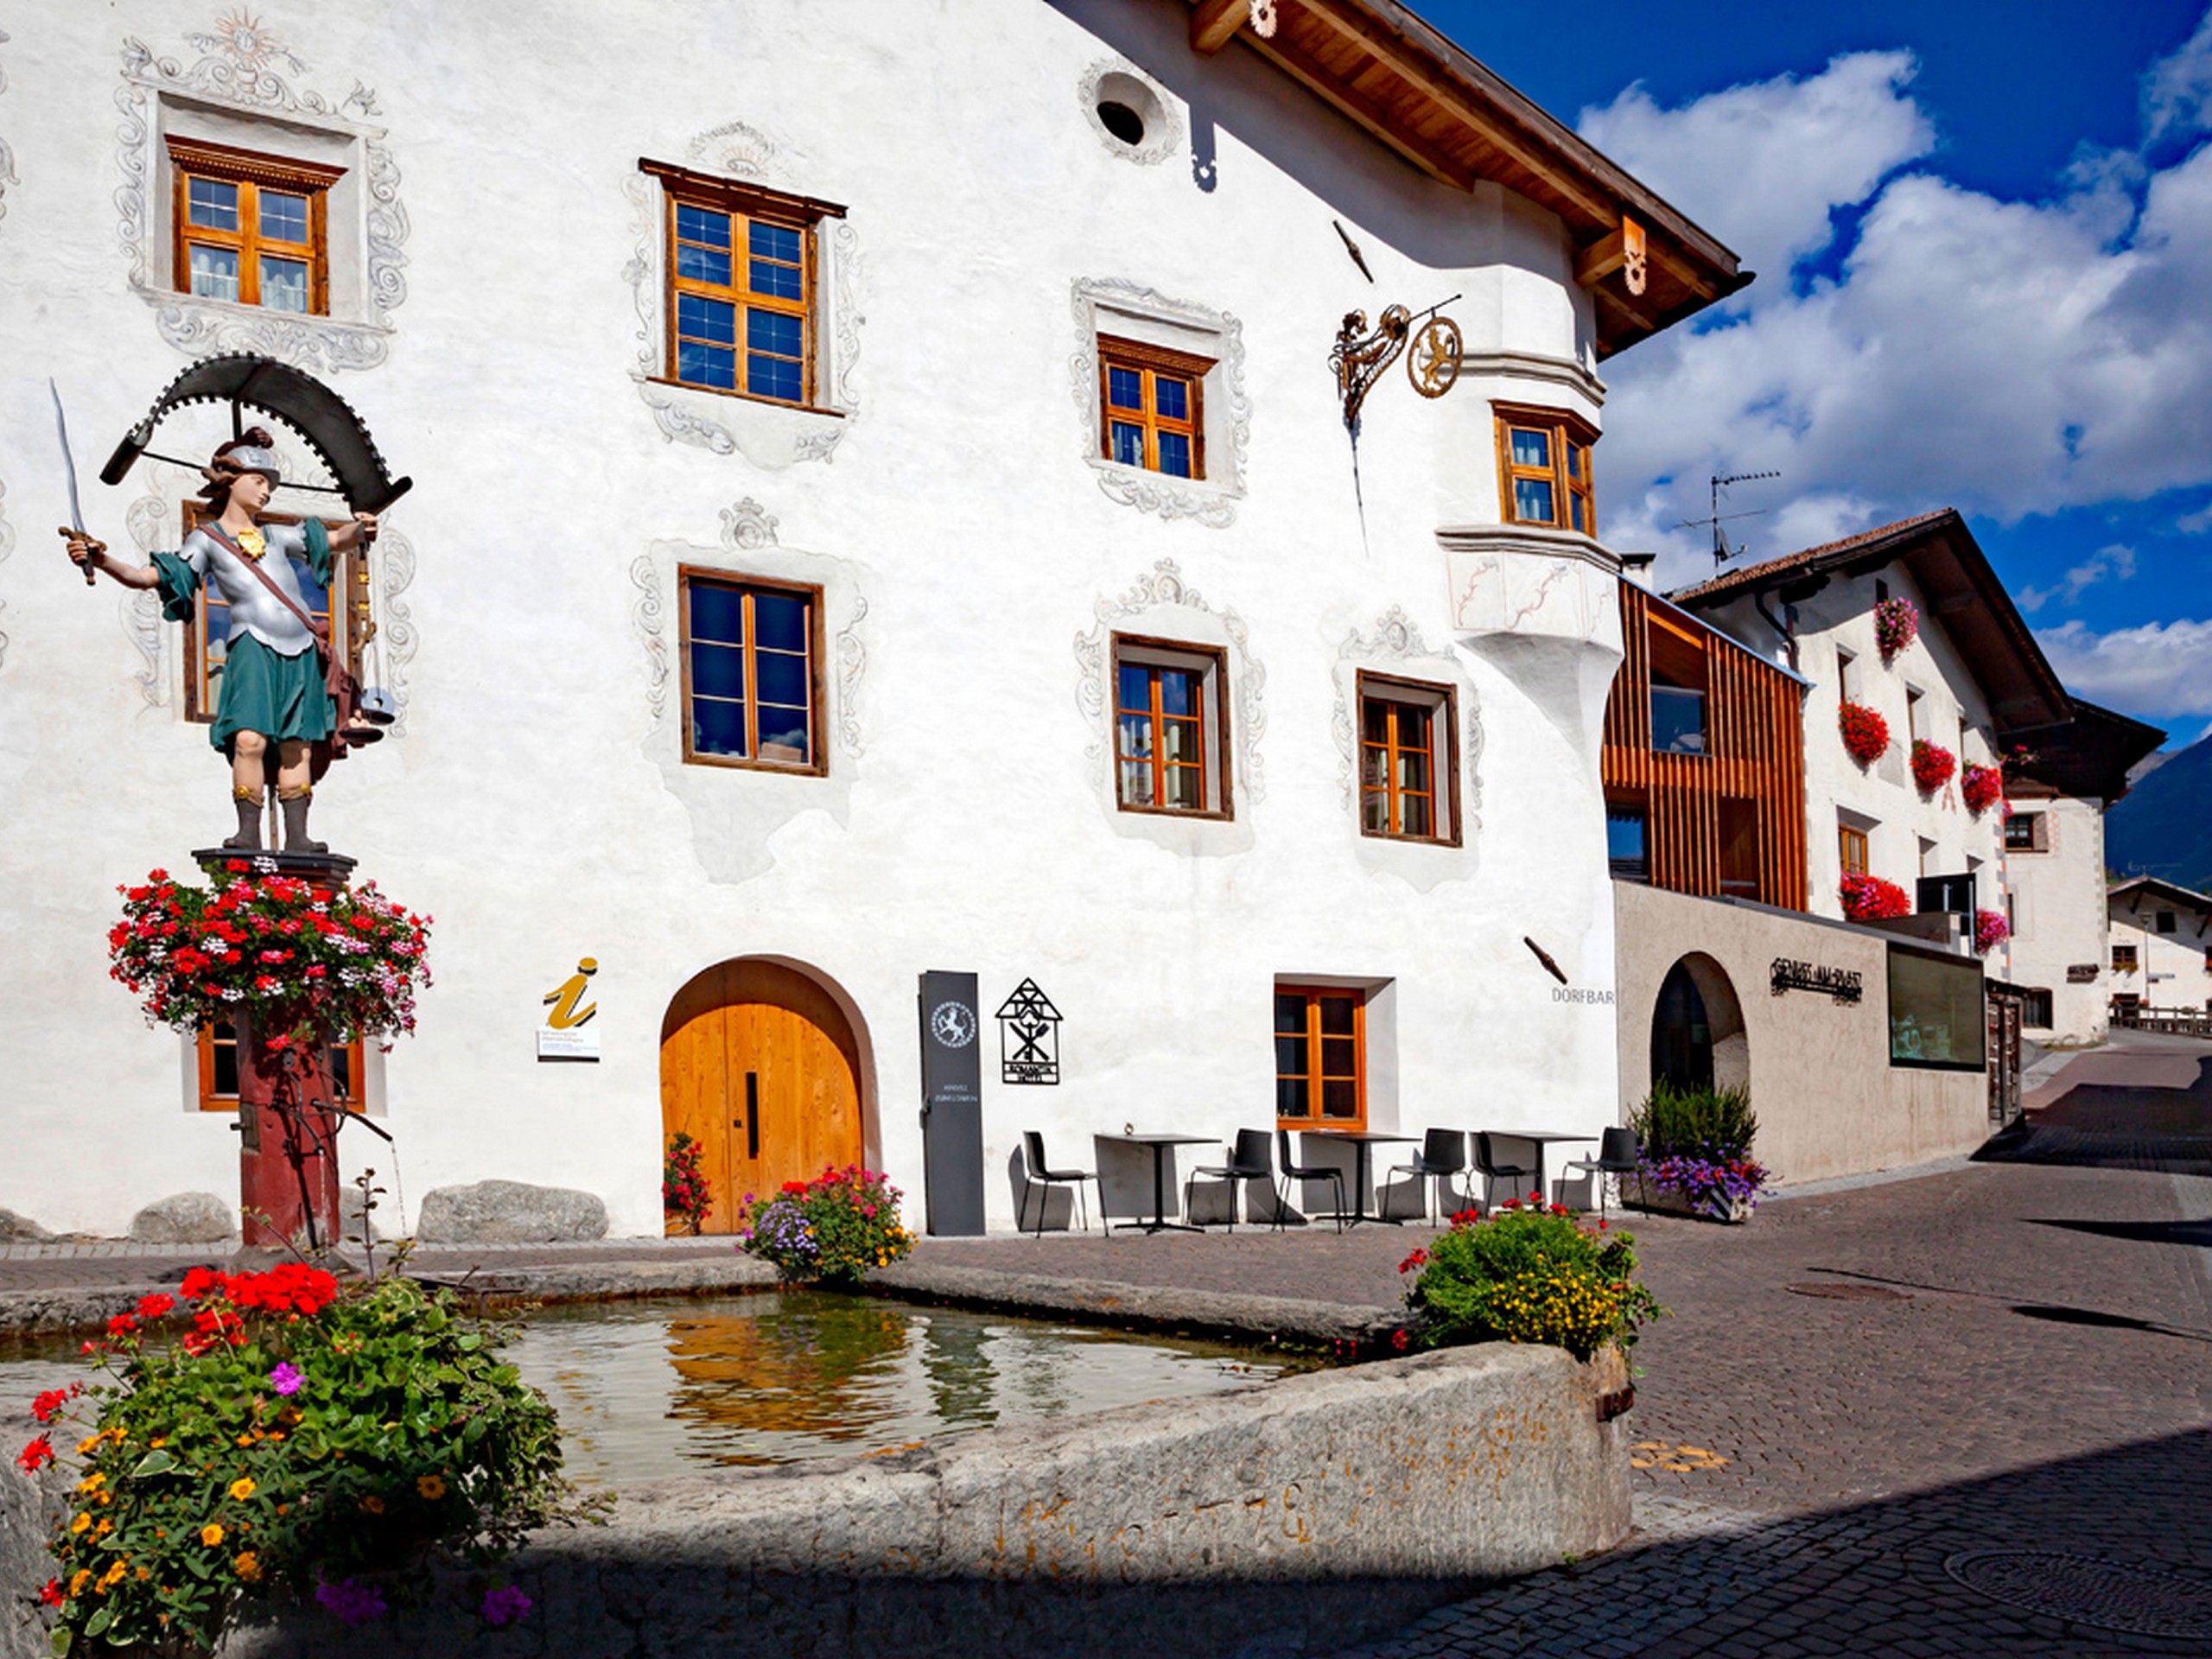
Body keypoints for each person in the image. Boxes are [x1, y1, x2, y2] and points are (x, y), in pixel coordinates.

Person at [60, 428, 376, 854]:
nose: (267, 492)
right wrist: (102, 558)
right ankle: (248, 833)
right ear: (232, 480)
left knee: (296, 745)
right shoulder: (206, 540)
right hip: (252, 644)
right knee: (250, 740)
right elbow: (148, 578)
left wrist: (361, 528)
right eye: (260, 481)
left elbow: (336, 540)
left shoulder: (277, 537)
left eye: (271, 485)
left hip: (299, 646)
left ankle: (298, 837)